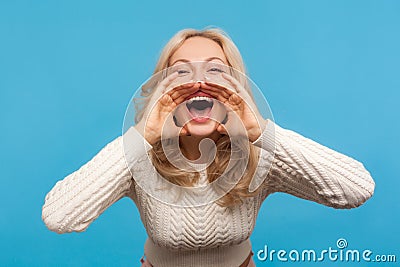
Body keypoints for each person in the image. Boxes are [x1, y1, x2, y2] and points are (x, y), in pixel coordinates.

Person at [41, 27, 375, 267]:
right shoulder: (139, 158)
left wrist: (261, 131)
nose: (199, 81)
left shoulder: (259, 157)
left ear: (235, 89)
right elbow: (59, 216)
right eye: (180, 72)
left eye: (215, 69)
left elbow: (356, 189)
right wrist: (141, 137)